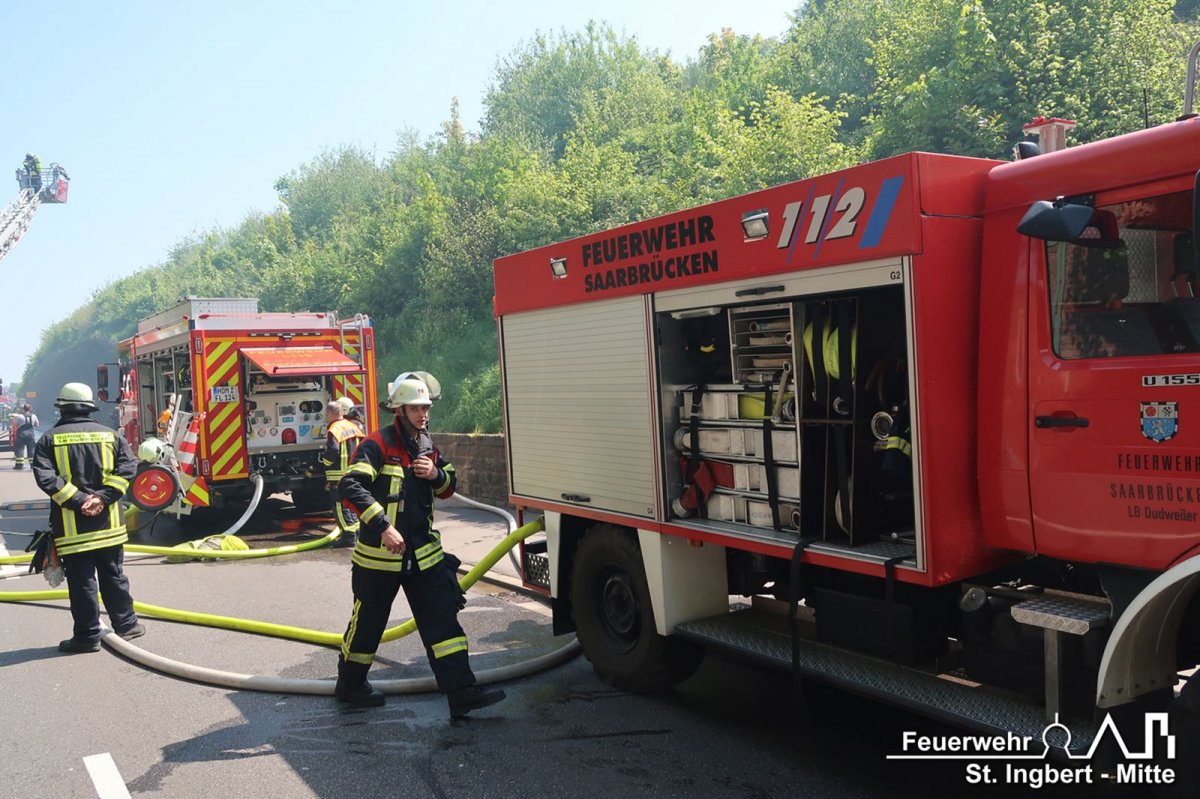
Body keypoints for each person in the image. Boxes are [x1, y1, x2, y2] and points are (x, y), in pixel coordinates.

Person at [334, 376, 505, 717]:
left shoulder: (427, 444)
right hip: (379, 559)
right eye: (415, 408)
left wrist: (435, 475)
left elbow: (448, 486)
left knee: (443, 622)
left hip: (424, 556)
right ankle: (350, 686)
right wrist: (383, 526)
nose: (423, 414)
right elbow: (350, 485)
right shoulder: (377, 444)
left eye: (426, 407)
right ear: (400, 410)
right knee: (368, 624)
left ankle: (461, 692)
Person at [31, 383, 143, 653]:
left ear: (62, 407)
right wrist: (102, 498)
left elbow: (46, 478)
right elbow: (128, 467)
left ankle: (88, 636)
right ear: (90, 407)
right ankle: (127, 626)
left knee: (82, 584)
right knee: (114, 575)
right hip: (110, 526)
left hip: (73, 531)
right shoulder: (111, 436)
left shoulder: (48, 440)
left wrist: (80, 501)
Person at [314, 398, 364, 547]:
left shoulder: (334, 429)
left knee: (339, 507)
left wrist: (325, 462)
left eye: (326, 413)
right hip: (354, 473)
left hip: (338, 476)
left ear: (330, 413)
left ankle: (348, 537)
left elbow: (334, 450)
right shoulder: (353, 426)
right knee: (352, 505)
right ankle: (357, 533)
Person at [11, 403, 39, 469]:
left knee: (20, 449)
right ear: (30, 409)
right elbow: (37, 425)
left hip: (21, 435)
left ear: (23, 409)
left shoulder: (19, 416)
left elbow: (14, 425)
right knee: (31, 449)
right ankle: (32, 465)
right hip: (31, 435)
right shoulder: (34, 416)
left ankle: (19, 465)